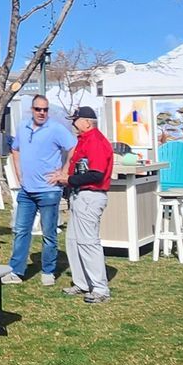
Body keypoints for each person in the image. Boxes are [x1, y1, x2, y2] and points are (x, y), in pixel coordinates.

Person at [7, 94, 77, 285]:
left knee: (49, 233)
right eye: (38, 109)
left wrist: (63, 173)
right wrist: (19, 174)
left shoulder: (56, 129)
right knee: (21, 231)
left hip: (49, 190)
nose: (42, 113)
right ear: (32, 109)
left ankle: (48, 270)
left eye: (45, 109)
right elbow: (15, 149)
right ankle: (16, 271)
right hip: (27, 191)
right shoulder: (23, 127)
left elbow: (73, 149)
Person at [51, 106, 115, 303]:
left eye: (76, 120)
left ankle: (100, 288)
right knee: (73, 241)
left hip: (90, 196)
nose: (73, 123)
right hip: (80, 196)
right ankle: (82, 283)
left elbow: (96, 174)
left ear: (87, 122)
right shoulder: (84, 140)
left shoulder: (95, 141)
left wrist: (68, 180)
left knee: (88, 242)